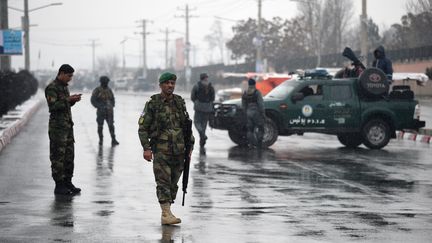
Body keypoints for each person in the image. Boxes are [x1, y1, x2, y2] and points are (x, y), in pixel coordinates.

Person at [138, 72, 194, 225]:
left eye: (173, 83)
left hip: (179, 150)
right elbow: (143, 127)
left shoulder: (179, 102)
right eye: (167, 83)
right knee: (163, 182)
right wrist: (146, 148)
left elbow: (186, 126)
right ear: (161, 85)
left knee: (173, 183)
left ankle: (167, 210)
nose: (170, 85)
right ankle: (166, 214)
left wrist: (191, 144)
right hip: (161, 150)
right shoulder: (153, 103)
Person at [45, 64, 82, 195]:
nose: (70, 78)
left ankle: (68, 182)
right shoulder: (52, 88)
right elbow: (53, 106)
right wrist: (68, 100)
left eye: (72, 76)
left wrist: (72, 100)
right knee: (58, 157)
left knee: (69, 157)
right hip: (57, 129)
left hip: (67, 127)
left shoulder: (64, 87)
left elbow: (64, 105)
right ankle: (59, 185)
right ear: (61, 73)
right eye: (69, 75)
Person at [91, 76, 119, 146]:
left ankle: (113, 139)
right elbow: (93, 100)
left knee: (111, 126)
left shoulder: (109, 90)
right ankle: (101, 140)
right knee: (100, 126)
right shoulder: (97, 90)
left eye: (107, 82)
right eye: (105, 82)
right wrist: (99, 106)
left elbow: (112, 98)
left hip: (109, 111)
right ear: (102, 82)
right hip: (101, 112)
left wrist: (112, 105)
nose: (106, 83)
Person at [190, 73, 215, 148]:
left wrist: (197, 103)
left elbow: (192, 97)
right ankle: (202, 141)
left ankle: (202, 134)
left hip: (199, 107)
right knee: (204, 124)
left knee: (197, 122)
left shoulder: (196, 86)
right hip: (208, 108)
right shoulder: (211, 86)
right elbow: (213, 98)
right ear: (206, 78)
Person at [241, 78, 265, 148]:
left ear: (249, 84)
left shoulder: (245, 93)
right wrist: (263, 113)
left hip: (248, 112)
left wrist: (245, 112)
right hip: (256, 112)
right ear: (255, 84)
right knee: (260, 127)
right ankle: (259, 144)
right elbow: (261, 104)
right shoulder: (257, 92)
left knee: (250, 129)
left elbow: (243, 104)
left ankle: (251, 144)